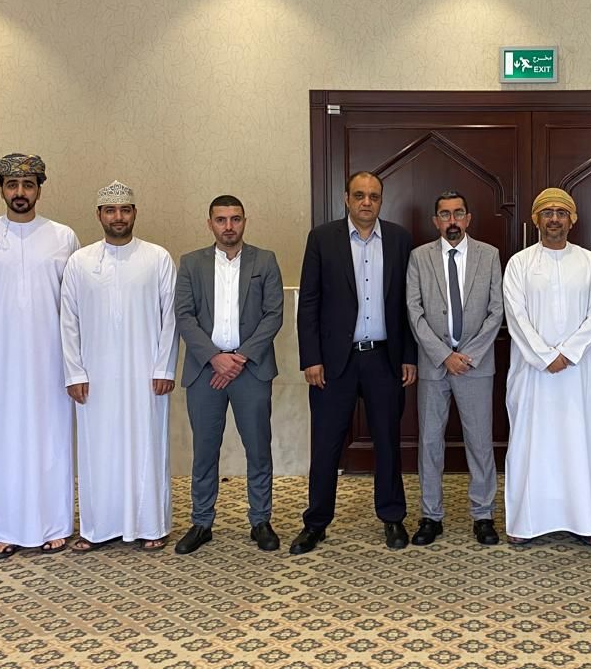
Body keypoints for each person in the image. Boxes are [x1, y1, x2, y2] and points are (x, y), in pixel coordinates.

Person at [0, 153, 80, 560]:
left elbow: (72, 300)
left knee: (52, 437)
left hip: (50, 357)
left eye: (28, 185)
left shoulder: (63, 236)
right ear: (1, 189)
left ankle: (55, 524)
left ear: (40, 189)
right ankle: (7, 527)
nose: (20, 193)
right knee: (4, 438)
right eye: (12, 185)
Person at [292, 171, 417, 555]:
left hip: (384, 359)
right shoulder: (322, 238)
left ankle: (392, 518)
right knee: (327, 445)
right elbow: (309, 302)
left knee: (387, 442)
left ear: (381, 201)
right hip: (333, 363)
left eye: (374, 196)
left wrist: (409, 356)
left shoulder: (398, 239)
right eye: (359, 195)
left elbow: (406, 304)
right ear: (346, 198)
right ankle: (316, 523)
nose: (366, 202)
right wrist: (310, 358)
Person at [60, 181, 178, 552]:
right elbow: (69, 321)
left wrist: (164, 367)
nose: (118, 217)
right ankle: (97, 528)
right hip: (95, 377)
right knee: (98, 450)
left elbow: (169, 318)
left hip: (146, 375)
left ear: (134, 214)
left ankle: (151, 525)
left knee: (147, 445)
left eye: (125, 210)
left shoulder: (158, 257)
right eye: (110, 211)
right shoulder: (79, 261)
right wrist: (75, 372)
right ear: (99, 215)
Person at [174, 195, 284, 555]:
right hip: (205, 372)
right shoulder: (191, 263)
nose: (229, 226)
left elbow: (273, 315)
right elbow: (185, 316)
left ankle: (261, 520)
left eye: (235, 219)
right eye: (221, 220)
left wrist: (238, 359)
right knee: (205, 450)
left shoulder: (264, 261)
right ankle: (202, 521)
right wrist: (215, 359)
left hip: (250, 370)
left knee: (258, 448)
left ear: (244, 221)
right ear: (210, 224)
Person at [503, 188, 591, 547]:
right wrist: (546, 356)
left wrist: (568, 351)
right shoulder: (519, 263)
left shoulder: (589, 262)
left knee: (580, 443)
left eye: (561, 213)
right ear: (535, 219)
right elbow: (515, 316)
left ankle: (584, 521)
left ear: (573, 219)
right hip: (533, 372)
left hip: (579, 373)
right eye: (547, 212)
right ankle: (524, 521)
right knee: (530, 443)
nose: (554, 219)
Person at [405, 191, 504, 546]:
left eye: (458, 213)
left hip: (475, 366)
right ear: (436, 221)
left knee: (479, 443)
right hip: (434, 365)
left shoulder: (489, 255)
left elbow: (497, 311)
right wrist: (443, 354)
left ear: (468, 218)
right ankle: (431, 515)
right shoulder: (419, 258)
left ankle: (483, 514)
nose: (452, 221)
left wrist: (469, 355)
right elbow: (413, 311)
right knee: (430, 442)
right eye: (444, 214)